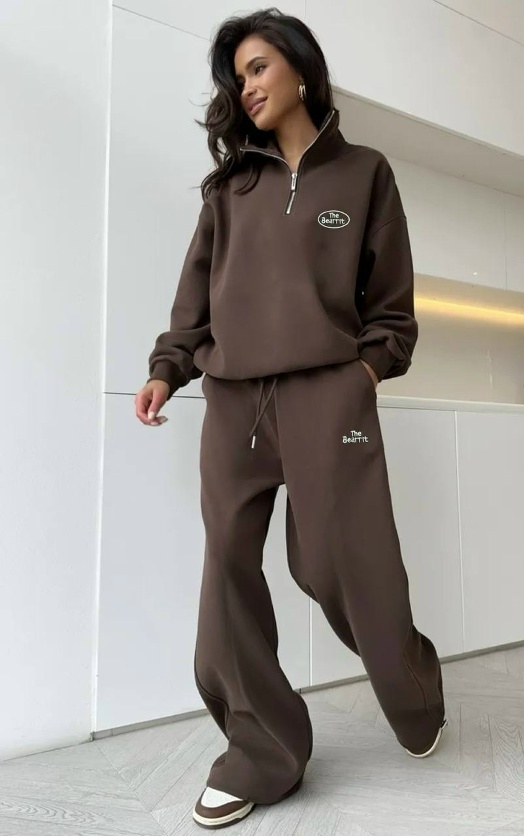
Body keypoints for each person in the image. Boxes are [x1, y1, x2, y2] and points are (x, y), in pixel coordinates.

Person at [134, 7, 446, 830]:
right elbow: (193, 299)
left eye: (259, 67)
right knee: (227, 577)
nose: (247, 86)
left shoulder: (365, 173)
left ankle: (416, 695)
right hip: (233, 399)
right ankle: (260, 752)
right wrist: (168, 368)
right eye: (237, 76)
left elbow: (392, 309)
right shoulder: (229, 189)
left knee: (340, 565)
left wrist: (362, 376)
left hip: (326, 396)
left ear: (301, 71)